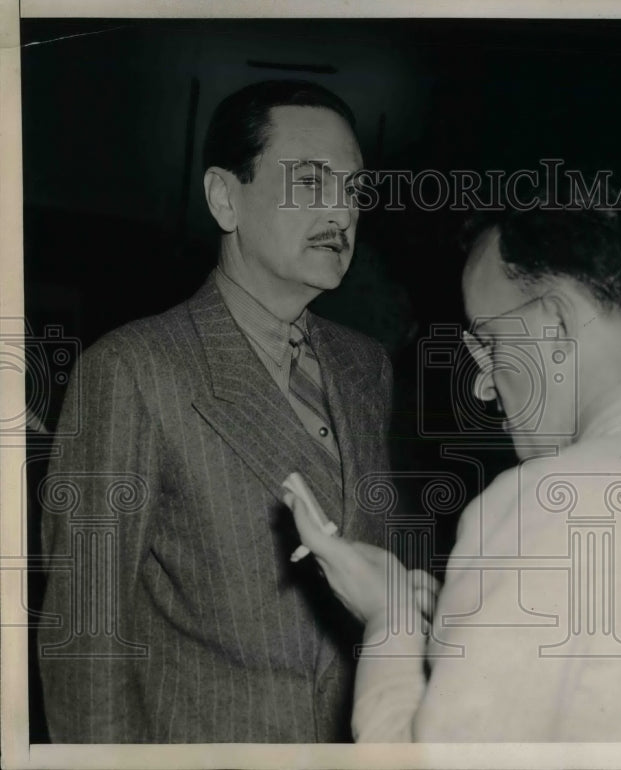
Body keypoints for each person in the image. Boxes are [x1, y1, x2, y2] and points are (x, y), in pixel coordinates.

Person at [285, 198, 621, 741]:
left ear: (554, 322)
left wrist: (392, 622)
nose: (482, 384)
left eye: (491, 343)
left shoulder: (540, 505)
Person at [38, 80, 392, 742]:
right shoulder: (133, 370)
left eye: (353, 189)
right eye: (310, 182)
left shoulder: (366, 367)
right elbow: (84, 642)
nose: (341, 211)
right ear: (225, 198)